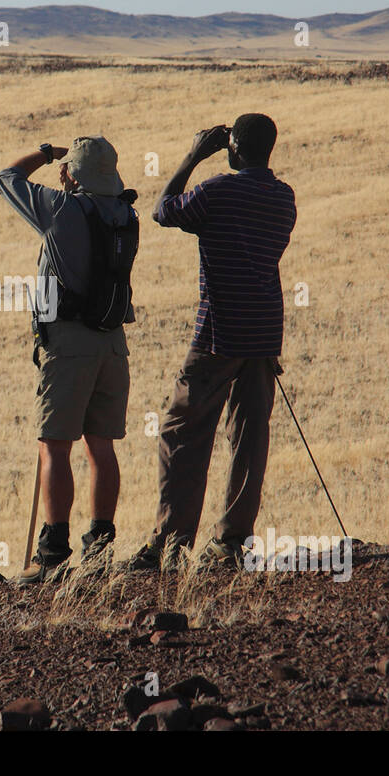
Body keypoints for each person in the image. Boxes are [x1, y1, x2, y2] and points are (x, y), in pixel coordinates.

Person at [128, 114, 296, 572]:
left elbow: (164, 211)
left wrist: (193, 155)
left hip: (219, 332)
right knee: (248, 435)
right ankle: (231, 541)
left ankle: (169, 543)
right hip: (263, 334)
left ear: (232, 149)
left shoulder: (219, 190)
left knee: (181, 432)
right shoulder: (283, 198)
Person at [0, 136, 137, 584]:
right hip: (112, 343)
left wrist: (46, 153)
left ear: (73, 173)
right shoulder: (126, 215)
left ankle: (52, 555)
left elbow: (5, 178)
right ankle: (100, 550)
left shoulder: (61, 210)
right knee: (101, 446)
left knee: (54, 445)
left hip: (69, 343)